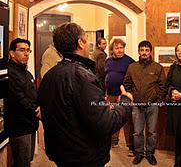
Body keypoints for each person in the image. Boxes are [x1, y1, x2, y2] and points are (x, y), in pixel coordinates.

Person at [38, 22, 133, 167]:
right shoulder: (82, 77)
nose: (89, 43)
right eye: (86, 39)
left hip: (61, 154)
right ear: (80, 43)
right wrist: (126, 101)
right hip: (83, 156)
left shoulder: (50, 75)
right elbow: (106, 124)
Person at [124, 40, 166, 165]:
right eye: (142, 50)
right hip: (137, 105)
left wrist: (157, 99)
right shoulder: (132, 67)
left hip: (152, 105)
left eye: (146, 50)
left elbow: (162, 86)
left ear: (150, 52)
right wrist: (131, 96)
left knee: (151, 132)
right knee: (137, 132)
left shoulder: (157, 67)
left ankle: (150, 153)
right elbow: (127, 84)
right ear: (138, 52)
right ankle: (139, 153)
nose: (144, 52)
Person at [5, 38, 40, 167]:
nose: (26, 54)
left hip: (30, 124)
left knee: (27, 161)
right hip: (19, 127)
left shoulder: (26, 72)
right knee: (22, 163)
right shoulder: (10, 72)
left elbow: (34, 95)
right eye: (21, 50)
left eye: (28, 50)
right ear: (12, 53)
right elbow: (19, 99)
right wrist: (36, 111)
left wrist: (39, 106)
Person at [104, 38, 135, 152]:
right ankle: (113, 141)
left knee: (127, 119)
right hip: (111, 94)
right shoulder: (107, 61)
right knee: (112, 117)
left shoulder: (130, 61)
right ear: (112, 50)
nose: (120, 50)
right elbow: (105, 76)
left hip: (124, 95)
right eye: (117, 48)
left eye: (121, 47)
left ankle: (130, 144)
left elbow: (133, 79)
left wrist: (129, 93)